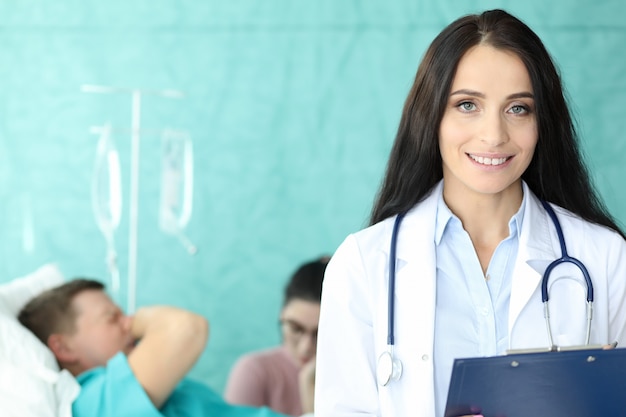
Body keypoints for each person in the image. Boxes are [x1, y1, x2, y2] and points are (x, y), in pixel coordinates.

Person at [314, 8, 626, 417]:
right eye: (467, 105)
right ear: (431, 117)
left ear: (541, 122)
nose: (494, 135)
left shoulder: (605, 259)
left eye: (518, 108)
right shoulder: (362, 265)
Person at [18, 278, 291, 417]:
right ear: (63, 347)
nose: (127, 323)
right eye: (112, 318)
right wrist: (142, 322)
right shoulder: (94, 403)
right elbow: (187, 329)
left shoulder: (127, 385)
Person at [225, 257, 329, 416]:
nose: (306, 347)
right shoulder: (254, 371)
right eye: (296, 328)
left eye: (319, 333)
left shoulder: (359, 375)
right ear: (281, 314)